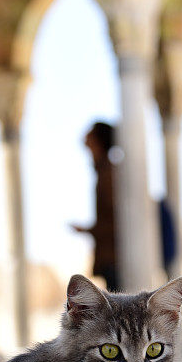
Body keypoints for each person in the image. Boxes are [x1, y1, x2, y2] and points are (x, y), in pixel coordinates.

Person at [71, 122, 118, 291]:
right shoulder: (103, 172)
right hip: (110, 258)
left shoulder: (109, 175)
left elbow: (115, 222)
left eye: (89, 134)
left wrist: (87, 230)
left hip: (114, 259)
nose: (84, 138)